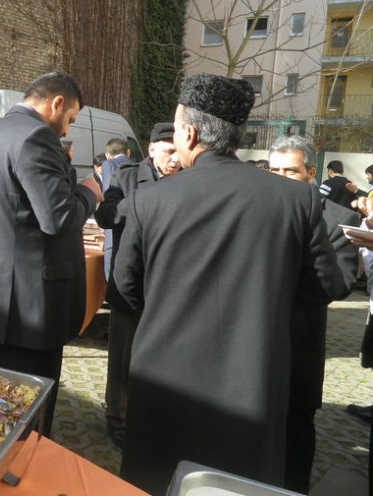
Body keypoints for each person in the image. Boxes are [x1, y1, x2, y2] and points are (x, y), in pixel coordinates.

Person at [113, 74, 345, 494]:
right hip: (252, 382)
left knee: (155, 480)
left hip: (165, 380)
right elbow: (322, 286)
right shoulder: (296, 199)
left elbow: (125, 288)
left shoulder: (150, 200)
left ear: (190, 133)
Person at [0, 71, 103, 438]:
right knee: (29, 414)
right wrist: (90, 191)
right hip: (28, 307)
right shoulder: (36, 137)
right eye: (70, 118)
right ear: (57, 103)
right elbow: (59, 218)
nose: (66, 130)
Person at [268, 135, 359, 494]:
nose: (280, 178)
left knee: (294, 437)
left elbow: (338, 286)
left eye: (290, 171)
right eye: (274, 170)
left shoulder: (339, 219)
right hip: (249, 345)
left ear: (310, 174)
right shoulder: (253, 209)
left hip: (298, 349)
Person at [94, 121, 181, 449]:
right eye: (169, 151)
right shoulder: (127, 175)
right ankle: (117, 418)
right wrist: (141, 203)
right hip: (131, 283)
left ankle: (151, 416)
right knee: (123, 357)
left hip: (170, 286)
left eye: (179, 151)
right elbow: (105, 214)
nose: (175, 159)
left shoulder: (188, 178)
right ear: (152, 149)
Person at [100, 138, 133, 280]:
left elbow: (108, 194)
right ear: (128, 152)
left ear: (108, 155)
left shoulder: (109, 165)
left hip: (114, 222)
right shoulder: (136, 166)